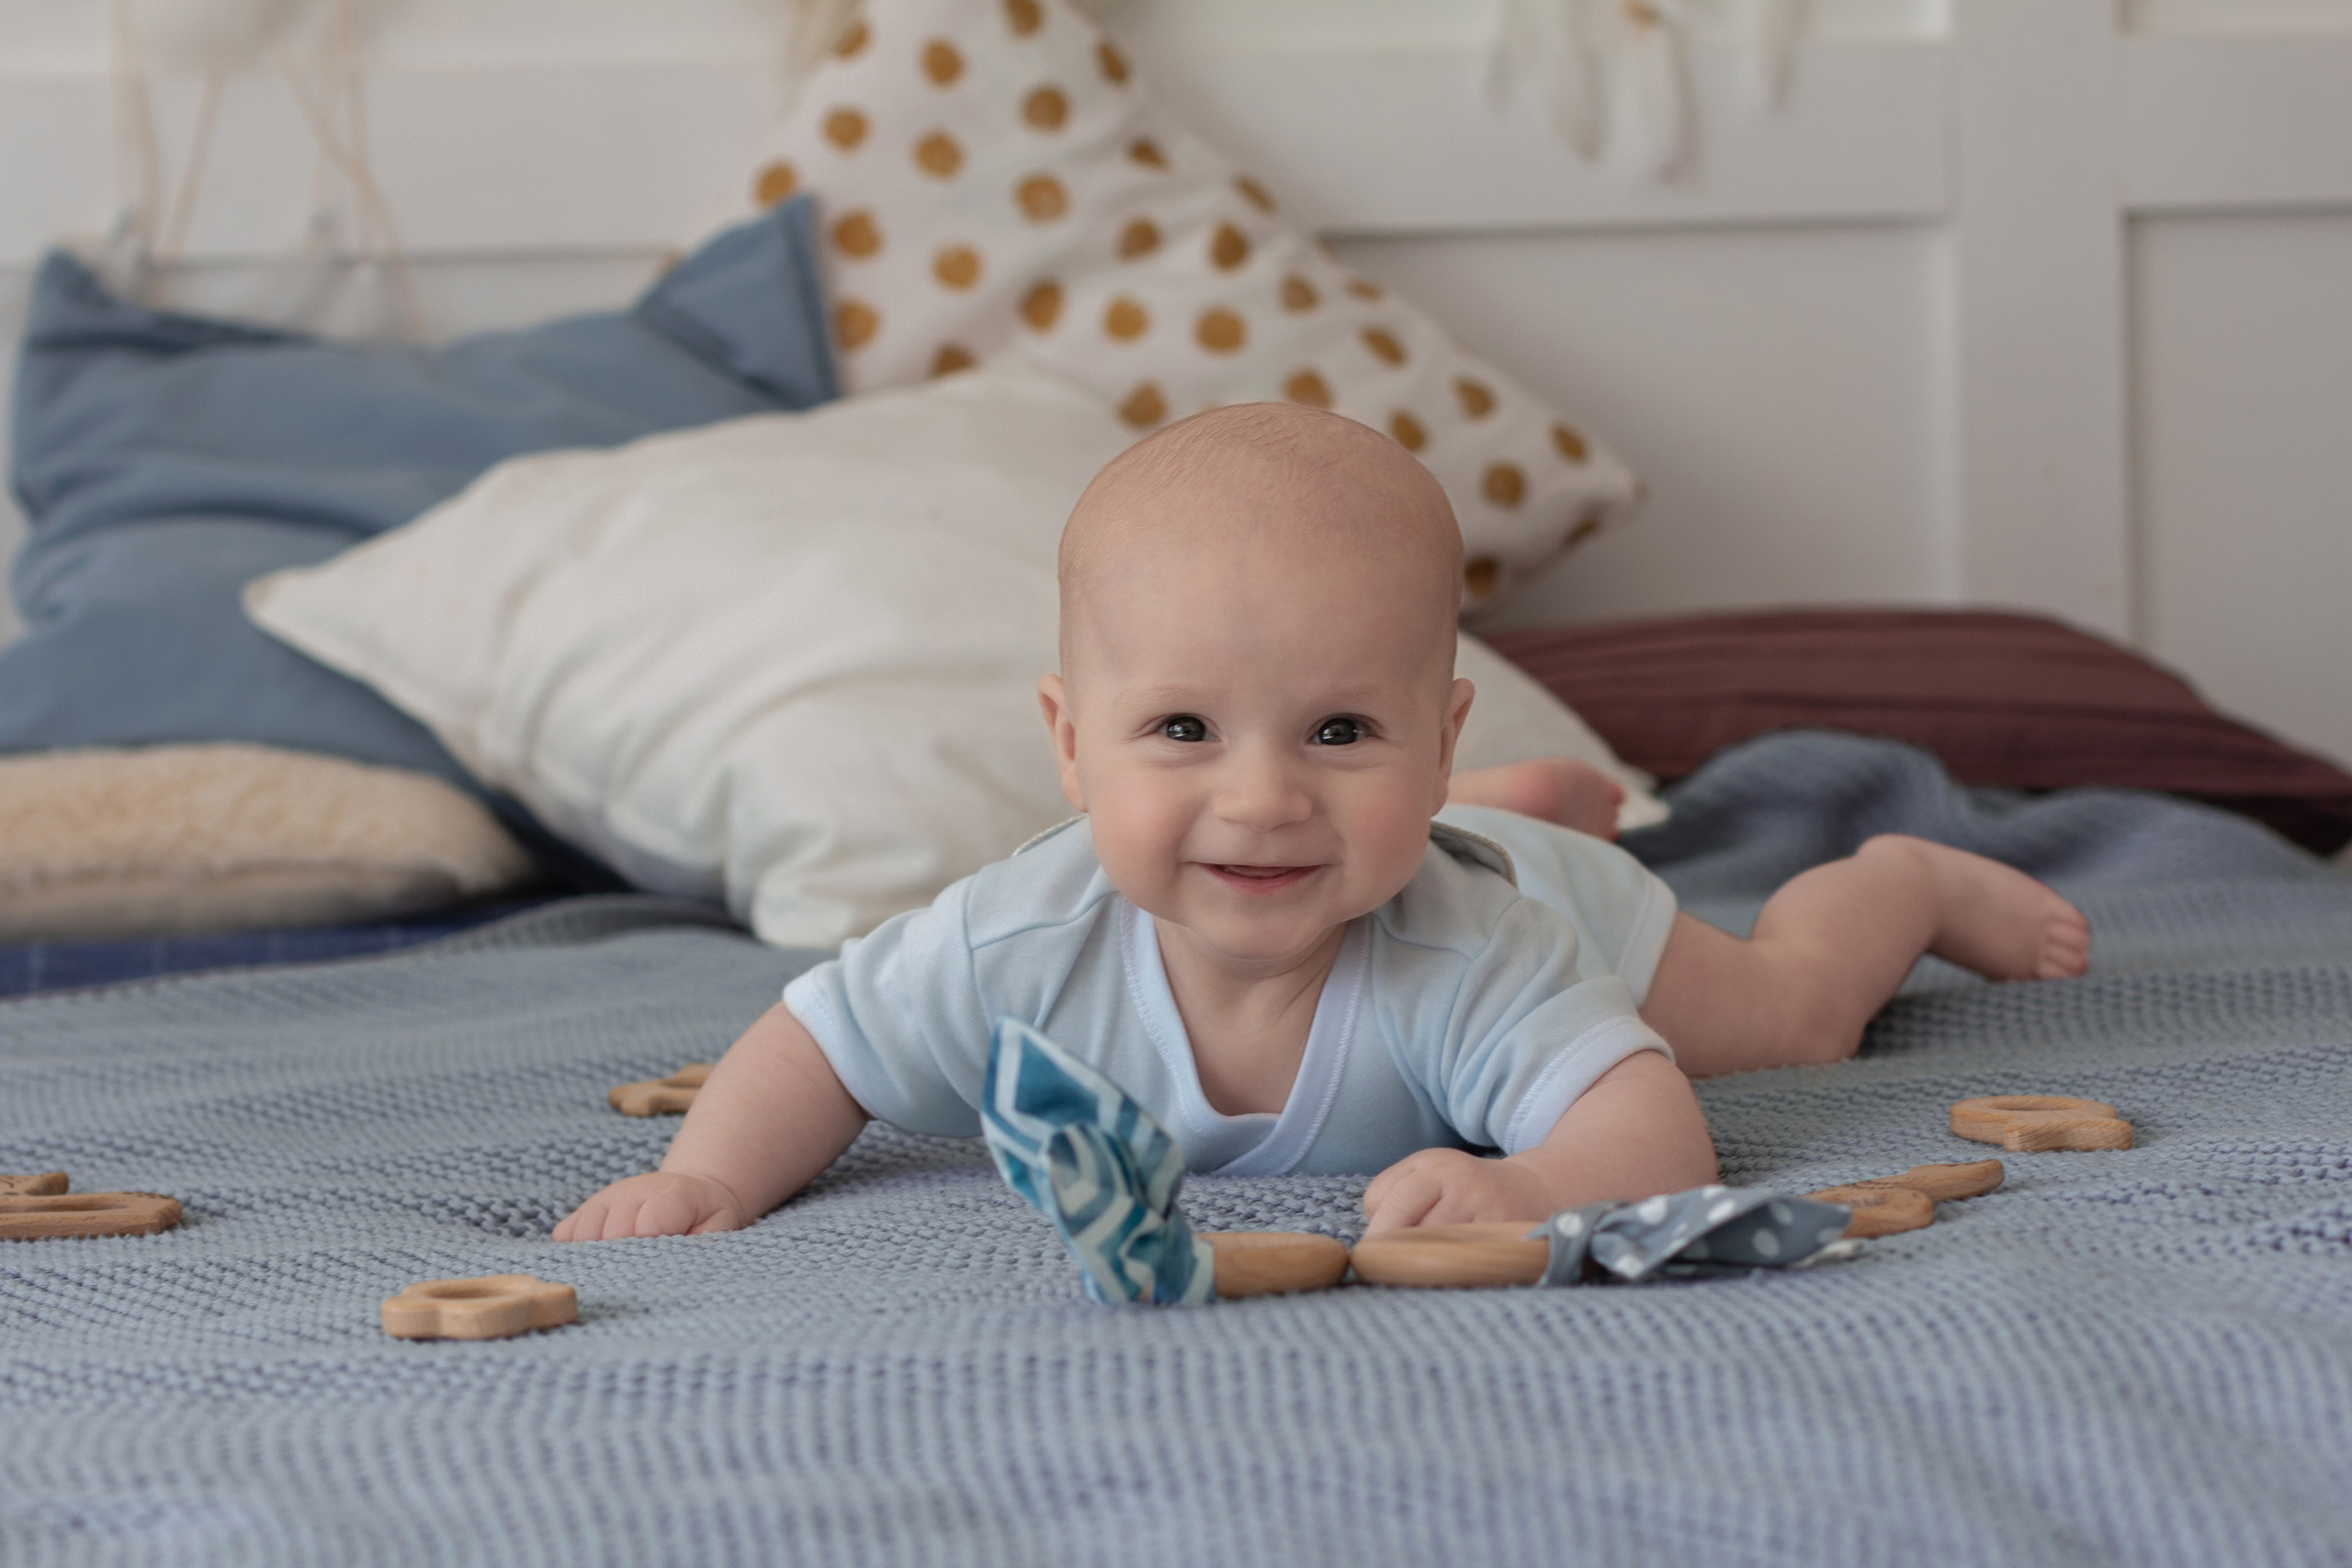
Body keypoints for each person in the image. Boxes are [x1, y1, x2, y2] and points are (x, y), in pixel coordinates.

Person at [557, 403, 2087, 1244]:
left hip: (1544, 892)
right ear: (1070, 749)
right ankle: (1513, 805)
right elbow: (818, 1039)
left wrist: (1544, 1187)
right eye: (1181, 732)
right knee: (1324, 830)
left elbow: (1653, 1128)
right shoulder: (1016, 938)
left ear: (1434, 739)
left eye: (1343, 730)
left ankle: (1899, 877)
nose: (1263, 794)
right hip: (1435, 832)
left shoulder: (1475, 956)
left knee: (1791, 1018)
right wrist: (711, 1179)